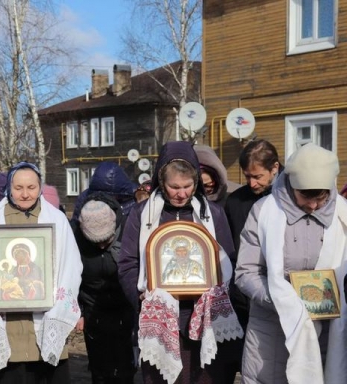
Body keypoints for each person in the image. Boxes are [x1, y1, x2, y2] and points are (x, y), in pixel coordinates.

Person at [118, 141, 242, 384]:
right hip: (159, 316)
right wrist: (139, 295)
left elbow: (229, 259)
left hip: (203, 316)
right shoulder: (142, 214)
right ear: (161, 182)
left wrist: (220, 290)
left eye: (187, 186)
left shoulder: (212, 213)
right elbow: (127, 263)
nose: (181, 193)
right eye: (174, 187)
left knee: (204, 377)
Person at [235, 143, 347, 383]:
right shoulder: (264, 212)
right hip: (271, 334)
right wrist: (281, 300)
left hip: (326, 333)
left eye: (322, 197)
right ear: (291, 185)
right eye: (306, 196)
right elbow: (246, 272)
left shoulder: (343, 215)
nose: (314, 205)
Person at [0, 162, 82, 383]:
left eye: (31, 187)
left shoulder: (55, 220)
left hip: (46, 315)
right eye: (19, 188)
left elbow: (71, 265)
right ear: (9, 187)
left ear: (40, 188)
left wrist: (57, 299)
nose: (25, 194)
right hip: (5, 321)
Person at [73, 193, 136, 383]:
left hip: (125, 307)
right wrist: (79, 310)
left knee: (125, 367)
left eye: (106, 240)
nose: (101, 246)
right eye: (95, 241)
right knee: (99, 369)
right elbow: (72, 278)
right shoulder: (76, 237)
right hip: (93, 311)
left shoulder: (128, 229)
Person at [224, 139, 282, 333]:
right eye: (247, 176)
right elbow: (231, 248)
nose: (252, 183)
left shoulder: (292, 197)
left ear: (275, 167)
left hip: (282, 291)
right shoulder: (235, 202)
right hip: (243, 296)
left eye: (258, 176)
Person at [71, 161, 138, 226]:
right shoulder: (85, 197)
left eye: (111, 197)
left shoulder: (137, 198)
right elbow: (76, 224)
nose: (107, 199)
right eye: (103, 196)